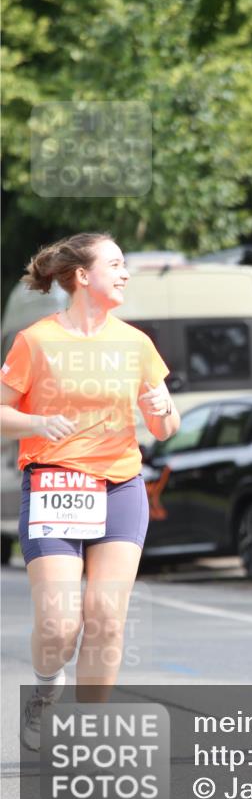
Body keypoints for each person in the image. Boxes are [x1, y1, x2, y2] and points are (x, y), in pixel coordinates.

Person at [0, 233, 180, 750]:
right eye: (116, 264)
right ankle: (45, 688)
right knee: (59, 625)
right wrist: (38, 419)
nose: (125, 274)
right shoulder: (37, 340)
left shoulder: (136, 343)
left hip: (120, 486)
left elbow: (166, 426)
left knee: (105, 618)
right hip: (55, 482)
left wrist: (160, 405)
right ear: (83, 276)